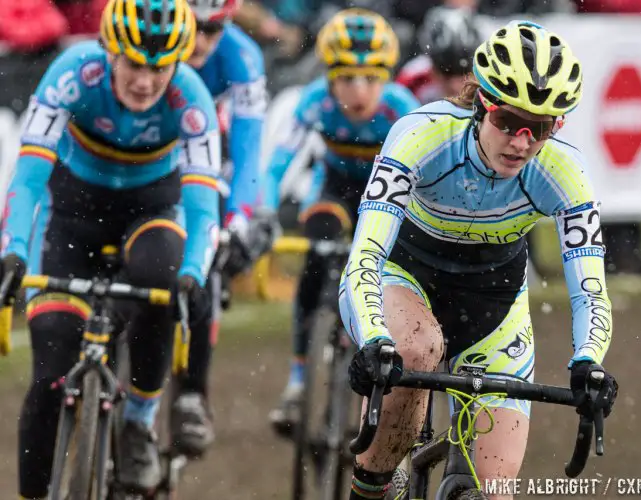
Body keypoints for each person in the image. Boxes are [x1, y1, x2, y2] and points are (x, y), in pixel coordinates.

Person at [339, 20, 619, 500]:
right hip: (405, 277)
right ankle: (378, 483)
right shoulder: (420, 136)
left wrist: (589, 362)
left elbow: (590, 289)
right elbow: (366, 253)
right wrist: (374, 338)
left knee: (493, 491)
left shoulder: (565, 173)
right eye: (508, 122)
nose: (521, 142)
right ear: (481, 105)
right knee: (414, 350)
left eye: (542, 129)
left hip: (493, 304)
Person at [0, 0, 221, 496]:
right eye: (134, 64)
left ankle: (138, 423)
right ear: (109, 52)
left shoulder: (191, 98)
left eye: (160, 67)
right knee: (50, 375)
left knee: (164, 282)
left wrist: (193, 273)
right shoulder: (72, 74)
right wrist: (11, 248)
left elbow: (204, 206)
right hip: (70, 219)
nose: (146, 81)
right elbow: (29, 175)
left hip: (151, 216)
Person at [265, 8, 420, 434]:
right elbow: (278, 164)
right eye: (347, 78)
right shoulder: (313, 100)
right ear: (328, 76)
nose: (358, 90)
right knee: (317, 254)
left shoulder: (402, 107)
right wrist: (262, 209)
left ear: (386, 77)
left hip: (383, 199)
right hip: (333, 193)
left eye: (371, 78)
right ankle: (297, 382)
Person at [170, 0, 275, 458]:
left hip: (211, 156)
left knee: (211, 248)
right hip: (154, 147)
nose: (201, 42)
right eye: (193, 28)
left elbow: (250, 149)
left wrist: (236, 219)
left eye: (213, 31)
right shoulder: (156, 38)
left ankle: (193, 391)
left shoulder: (242, 57)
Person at [396, 6, 482, 104]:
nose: (455, 85)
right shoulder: (412, 79)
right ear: (431, 64)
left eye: (464, 73)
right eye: (446, 73)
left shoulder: (487, 77)